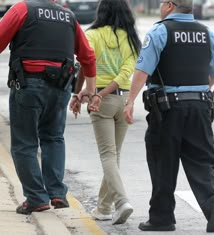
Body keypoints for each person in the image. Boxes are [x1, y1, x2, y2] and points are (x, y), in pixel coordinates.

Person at [124, 0, 214, 232]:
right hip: (200, 107)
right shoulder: (206, 33)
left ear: (169, 5)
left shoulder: (161, 31)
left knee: (163, 161)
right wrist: (196, 91)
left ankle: (162, 218)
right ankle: (213, 204)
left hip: (167, 111)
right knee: (201, 160)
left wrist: (130, 101)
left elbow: (143, 70)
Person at [0, 0, 96, 215]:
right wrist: (90, 90)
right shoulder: (68, 16)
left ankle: (36, 198)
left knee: (25, 143)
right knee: (53, 138)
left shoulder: (23, 9)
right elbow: (87, 56)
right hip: (60, 88)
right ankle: (56, 193)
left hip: (28, 85)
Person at [70, 0, 141, 225]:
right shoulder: (129, 38)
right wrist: (83, 92)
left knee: (108, 155)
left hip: (101, 100)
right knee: (114, 156)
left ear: (101, 11)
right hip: (124, 100)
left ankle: (121, 202)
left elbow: (84, 64)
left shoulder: (92, 35)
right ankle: (103, 207)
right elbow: (126, 71)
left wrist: (86, 93)